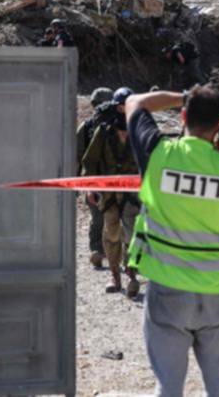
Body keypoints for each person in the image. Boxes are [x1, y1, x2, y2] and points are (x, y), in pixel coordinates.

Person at [124, 85, 219, 397]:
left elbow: (134, 102)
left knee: (168, 387)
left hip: (168, 292)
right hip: (216, 294)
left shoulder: (158, 153)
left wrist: (183, 97)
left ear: (183, 116)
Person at [81, 87, 141, 298]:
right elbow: (90, 161)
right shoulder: (104, 131)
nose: (125, 110)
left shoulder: (140, 132)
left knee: (131, 234)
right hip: (108, 194)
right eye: (122, 106)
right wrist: (90, 187)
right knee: (111, 233)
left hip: (132, 195)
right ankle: (115, 276)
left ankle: (131, 274)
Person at [77, 86, 117, 269]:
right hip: (113, 180)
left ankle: (98, 251)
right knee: (114, 217)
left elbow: (77, 157)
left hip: (95, 180)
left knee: (99, 218)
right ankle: (109, 253)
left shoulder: (86, 127)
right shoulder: (117, 125)